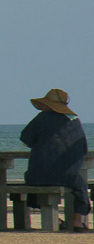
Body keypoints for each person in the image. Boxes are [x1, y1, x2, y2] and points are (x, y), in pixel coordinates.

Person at [21, 89, 91, 232]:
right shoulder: (74, 121)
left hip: (38, 175)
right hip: (67, 175)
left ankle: (55, 218)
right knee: (81, 188)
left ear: (48, 105)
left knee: (30, 179)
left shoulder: (41, 118)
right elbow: (83, 148)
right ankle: (77, 221)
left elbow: (26, 140)